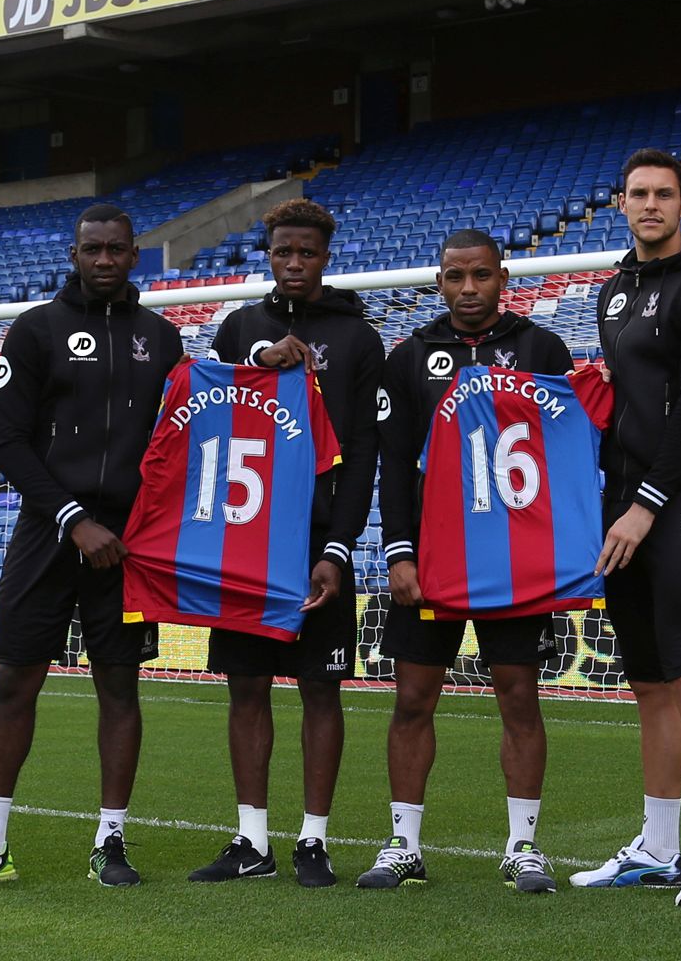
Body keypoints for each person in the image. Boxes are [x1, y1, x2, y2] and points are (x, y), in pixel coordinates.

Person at [0, 203, 183, 889]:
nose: (102, 260)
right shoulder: (37, 331)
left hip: (127, 545)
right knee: (14, 682)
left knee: (120, 686)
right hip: (47, 532)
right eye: (91, 248)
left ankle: (111, 844)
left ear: (133, 254)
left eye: (115, 249)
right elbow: (6, 441)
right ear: (74, 253)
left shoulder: (161, 338)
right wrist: (72, 518)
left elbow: (179, 438)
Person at [356, 229, 574, 895]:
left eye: (481, 275)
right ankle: (403, 844)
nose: (469, 289)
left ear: (502, 277)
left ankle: (523, 846)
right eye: (456, 277)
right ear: (439, 280)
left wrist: (561, 553)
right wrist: (398, 550)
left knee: (519, 698)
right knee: (413, 699)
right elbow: (393, 463)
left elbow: (563, 455)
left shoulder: (542, 349)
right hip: (432, 557)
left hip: (516, 558)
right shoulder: (412, 356)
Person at [571, 149, 681, 910]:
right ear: (620, 203)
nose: (650, 205)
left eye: (663, 195)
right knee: (646, 683)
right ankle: (657, 847)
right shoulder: (614, 293)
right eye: (638, 194)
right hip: (625, 502)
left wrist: (645, 505)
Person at [190, 197, 384, 888]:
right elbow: (204, 411)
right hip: (247, 542)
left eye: (307, 253)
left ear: (326, 256)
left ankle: (312, 841)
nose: (295, 263)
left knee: (319, 689)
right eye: (283, 253)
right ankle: (251, 841)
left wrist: (339, 547)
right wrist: (257, 357)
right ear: (267, 254)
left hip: (316, 546)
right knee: (246, 688)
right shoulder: (240, 326)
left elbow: (363, 453)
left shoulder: (359, 338)